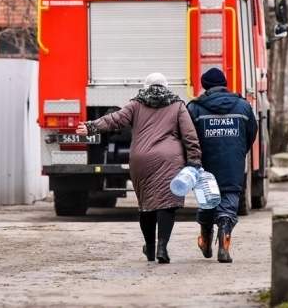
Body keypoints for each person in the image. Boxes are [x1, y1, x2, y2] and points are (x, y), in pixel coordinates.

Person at [76, 73, 201, 264]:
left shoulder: (136, 104)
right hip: (170, 160)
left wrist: (91, 126)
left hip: (141, 160)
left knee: (147, 205)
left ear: (146, 86)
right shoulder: (178, 106)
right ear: (166, 86)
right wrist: (194, 163)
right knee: (168, 203)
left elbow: (114, 119)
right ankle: (162, 247)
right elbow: (190, 137)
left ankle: (150, 248)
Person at [187, 68, 258, 263]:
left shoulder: (195, 108)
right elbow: (251, 132)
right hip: (232, 164)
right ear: (224, 84)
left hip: (205, 165)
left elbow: (188, 137)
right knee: (229, 202)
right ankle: (224, 243)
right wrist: (238, 151)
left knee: (207, 201)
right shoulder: (243, 107)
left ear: (204, 86)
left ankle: (205, 240)